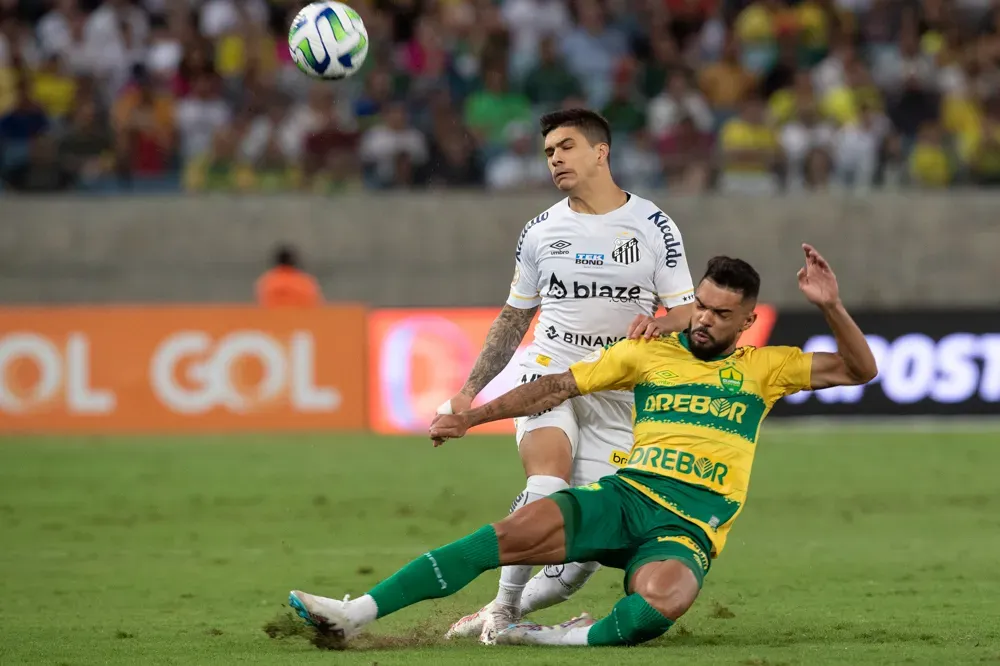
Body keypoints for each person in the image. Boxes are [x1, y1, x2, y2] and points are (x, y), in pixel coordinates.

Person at [287, 247, 877, 648]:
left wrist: (829, 304)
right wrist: (473, 415)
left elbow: (859, 368)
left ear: (747, 321)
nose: (704, 321)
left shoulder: (767, 368)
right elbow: (554, 386)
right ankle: (353, 615)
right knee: (503, 537)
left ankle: (542, 635)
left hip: (690, 524)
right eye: (700, 305)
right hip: (627, 496)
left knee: (656, 608)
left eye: (722, 315)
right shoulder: (648, 353)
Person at [434, 108, 696, 643]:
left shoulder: (654, 225)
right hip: (548, 373)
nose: (555, 158)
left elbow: (688, 311)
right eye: (549, 150)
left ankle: (493, 610)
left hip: (617, 392)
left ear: (601, 151)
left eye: (567, 146)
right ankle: (504, 614)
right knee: (547, 481)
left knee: (576, 566)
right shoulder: (540, 230)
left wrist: (661, 323)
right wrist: (468, 392)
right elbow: (514, 317)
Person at [255, 244, 322, 308]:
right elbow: (315, 305)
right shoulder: (305, 282)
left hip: (273, 318)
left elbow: (263, 305)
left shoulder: (266, 282)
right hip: (300, 318)